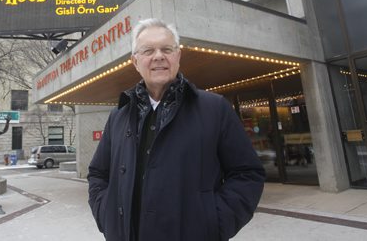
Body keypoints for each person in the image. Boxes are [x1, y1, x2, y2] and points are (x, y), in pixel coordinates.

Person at [87, 18, 266, 241]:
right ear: (135, 61)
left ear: (178, 56)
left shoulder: (215, 108)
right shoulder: (118, 116)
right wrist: (106, 215)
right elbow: (98, 174)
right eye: (148, 50)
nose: (158, 56)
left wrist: (214, 225)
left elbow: (247, 174)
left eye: (167, 49)